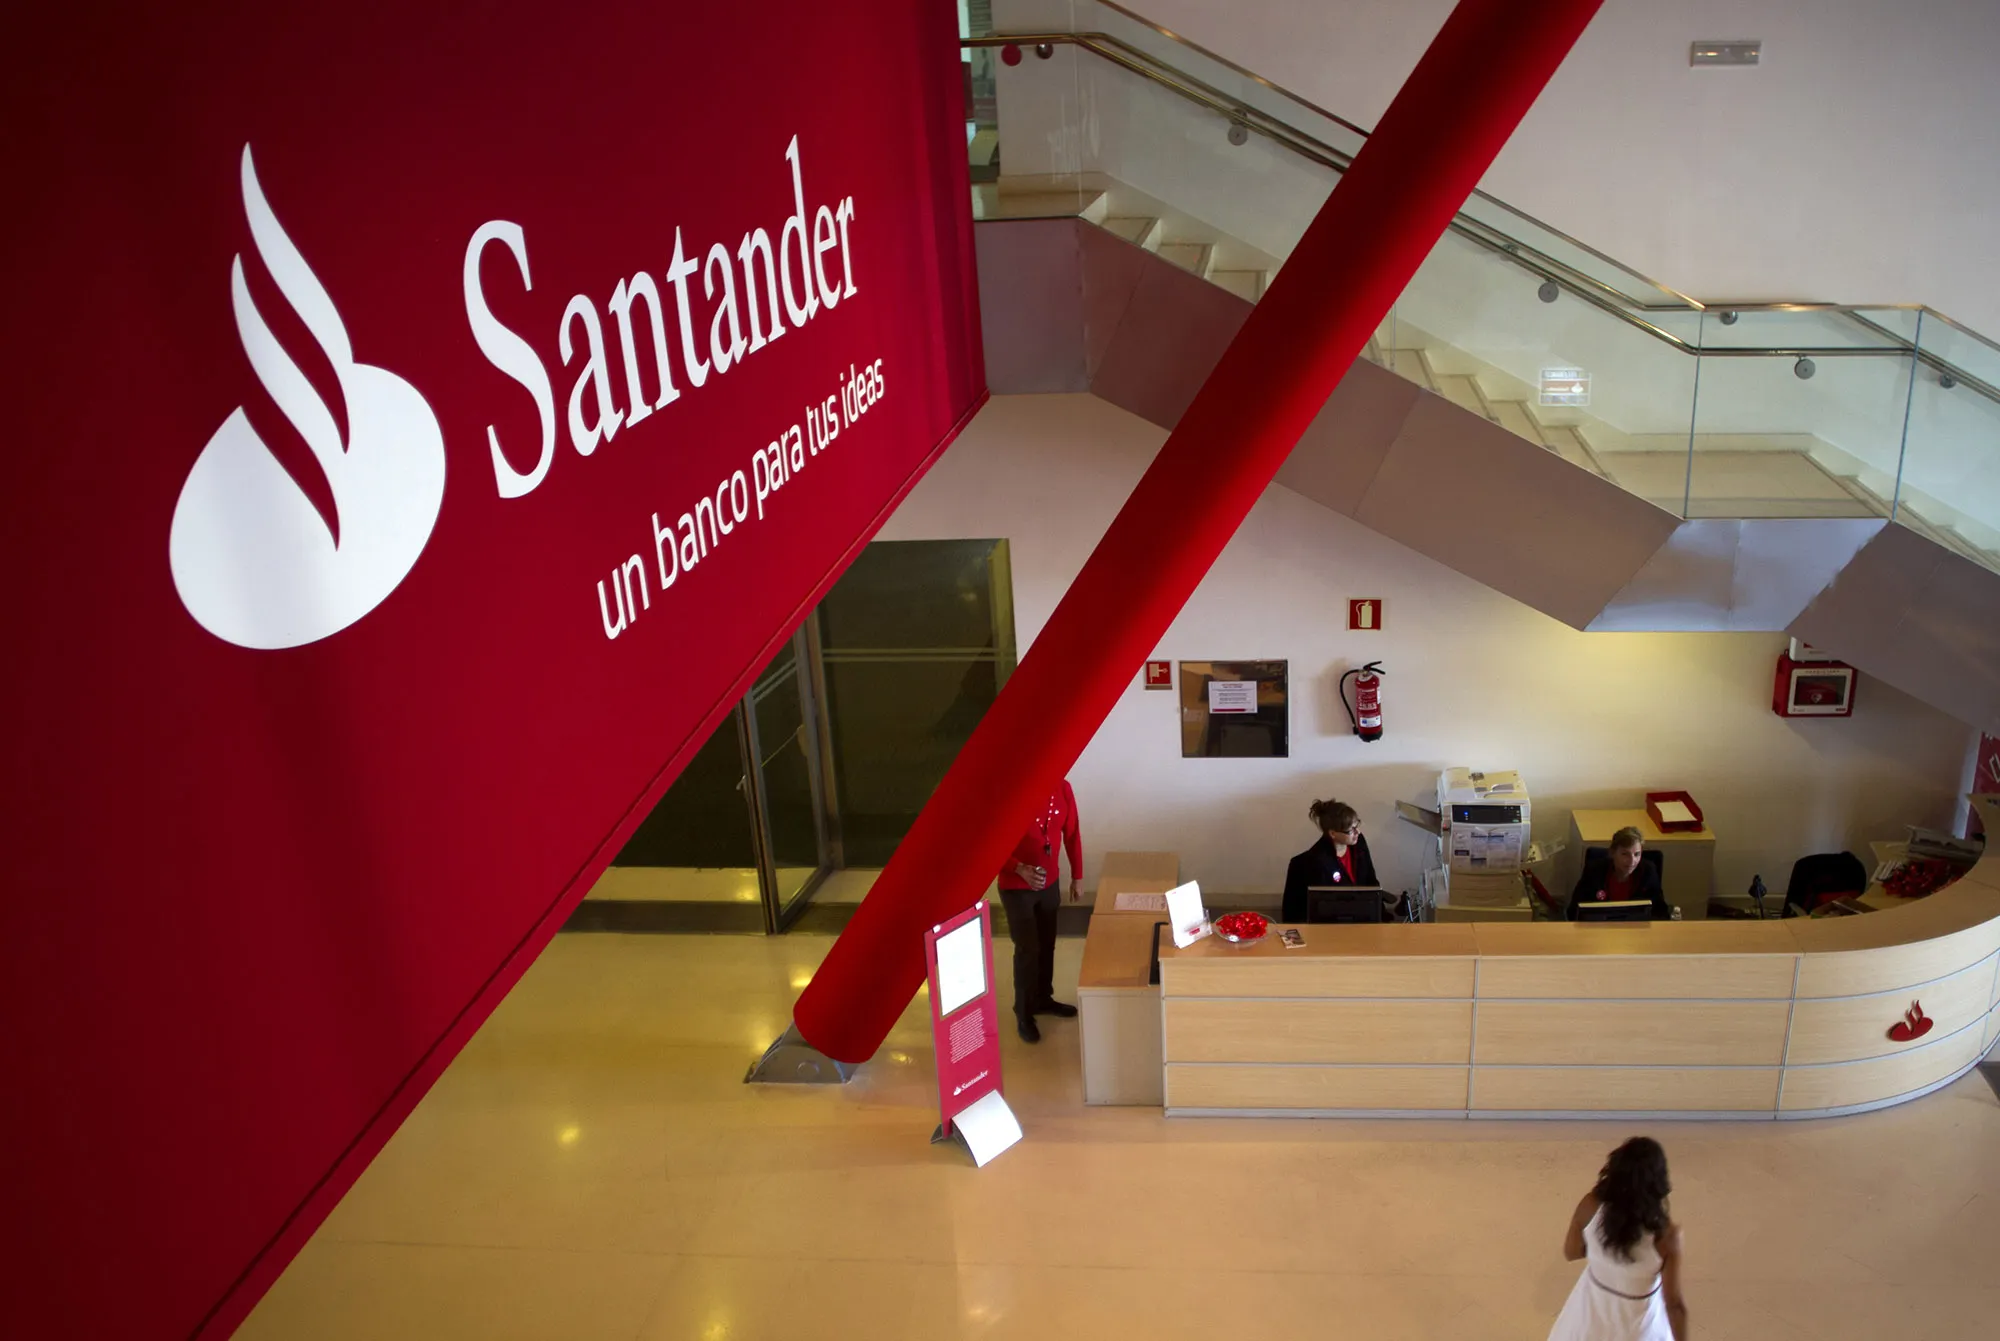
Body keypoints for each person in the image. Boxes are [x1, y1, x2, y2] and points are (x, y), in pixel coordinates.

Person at [1547, 1136, 1688, 1341]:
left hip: (1586, 1323)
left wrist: (1604, 1254)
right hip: (1639, 1331)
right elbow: (1674, 1304)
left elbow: (1571, 1252)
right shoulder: (1667, 1236)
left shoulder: (1590, 1206)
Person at [996, 778, 1082, 1043]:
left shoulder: (1063, 789)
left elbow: (1072, 833)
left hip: (1049, 882)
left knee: (1047, 945)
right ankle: (1023, 1011)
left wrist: (1077, 876)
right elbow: (993, 844)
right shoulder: (1011, 792)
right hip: (1016, 887)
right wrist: (1019, 868)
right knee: (1027, 949)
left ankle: (1043, 998)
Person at [1281, 798, 1380, 923]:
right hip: (1332, 927)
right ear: (1333, 833)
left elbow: (1371, 881)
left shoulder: (1358, 843)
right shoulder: (1311, 863)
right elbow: (1305, 910)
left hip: (1364, 920)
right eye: (1351, 830)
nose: (1358, 832)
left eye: (1357, 825)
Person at [1567, 826, 1672, 921]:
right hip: (1598, 931)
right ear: (1612, 853)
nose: (1632, 861)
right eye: (1625, 854)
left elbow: (1661, 912)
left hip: (1636, 932)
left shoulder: (1648, 872)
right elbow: (1574, 911)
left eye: (1637, 854)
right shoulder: (1594, 870)